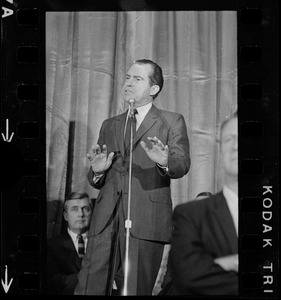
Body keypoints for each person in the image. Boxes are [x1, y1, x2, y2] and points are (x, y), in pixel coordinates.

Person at [75, 59, 191, 295]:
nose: (128, 82)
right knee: (89, 287)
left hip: (146, 220)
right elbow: (95, 174)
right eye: (127, 77)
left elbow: (182, 164)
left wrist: (164, 161)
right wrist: (97, 171)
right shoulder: (110, 124)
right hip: (106, 219)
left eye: (137, 79)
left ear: (154, 89)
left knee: (134, 289)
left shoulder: (171, 120)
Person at [169, 111, 238, 295]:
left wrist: (220, 265)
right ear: (221, 150)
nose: (237, 146)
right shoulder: (190, 215)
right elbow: (188, 277)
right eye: (230, 139)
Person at [47, 192, 93, 294]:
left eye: (86, 209)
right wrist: (91, 279)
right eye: (74, 209)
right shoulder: (52, 246)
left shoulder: (103, 244)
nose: (81, 214)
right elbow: (52, 281)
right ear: (66, 216)